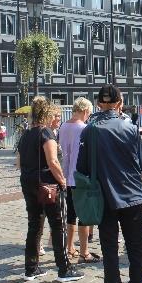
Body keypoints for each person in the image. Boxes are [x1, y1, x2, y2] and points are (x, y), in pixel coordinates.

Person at [77, 84, 142, 283]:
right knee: (135, 249)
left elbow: (83, 168)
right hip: (133, 195)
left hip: (105, 197)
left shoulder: (90, 130)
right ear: (119, 103)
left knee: (110, 250)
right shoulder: (131, 128)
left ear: (98, 103)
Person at [17, 96, 83, 283]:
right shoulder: (46, 133)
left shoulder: (26, 134)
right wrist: (62, 181)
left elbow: (19, 162)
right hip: (47, 184)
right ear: (46, 114)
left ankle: (31, 268)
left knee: (34, 225)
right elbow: (53, 161)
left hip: (28, 182)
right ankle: (64, 268)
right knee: (58, 225)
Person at [59, 97, 99, 263]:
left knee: (71, 214)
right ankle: (84, 251)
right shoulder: (85, 128)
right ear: (84, 111)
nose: (88, 116)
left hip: (67, 176)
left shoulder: (63, 126)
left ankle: (69, 247)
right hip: (81, 177)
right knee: (84, 215)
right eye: (88, 113)